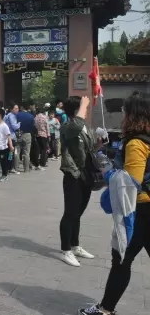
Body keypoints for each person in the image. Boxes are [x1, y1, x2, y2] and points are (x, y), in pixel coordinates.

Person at [79, 91, 150, 315]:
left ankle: (105, 309)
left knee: (121, 259)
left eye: (125, 111)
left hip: (141, 210)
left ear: (133, 115)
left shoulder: (137, 143)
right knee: (122, 259)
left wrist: (107, 170)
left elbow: (130, 184)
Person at [58, 95, 95, 267]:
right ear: (76, 110)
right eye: (83, 108)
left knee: (78, 212)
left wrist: (100, 142)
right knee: (70, 213)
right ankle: (65, 250)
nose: (86, 111)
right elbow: (76, 125)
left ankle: (75, 245)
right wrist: (83, 105)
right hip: (73, 174)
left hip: (86, 174)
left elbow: (89, 149)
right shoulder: (67, 126)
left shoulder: (84, 126)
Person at [15, 104, 35, 174]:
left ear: (21, 107)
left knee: (17, 151)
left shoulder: (17, 115)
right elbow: (33, 127)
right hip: (27, 134)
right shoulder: (31, 116)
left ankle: (16, 168)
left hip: (18, 134)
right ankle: (26, 169)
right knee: (26, 152)